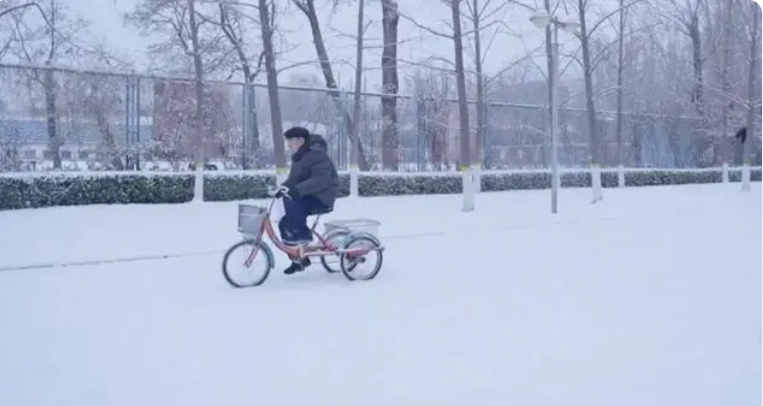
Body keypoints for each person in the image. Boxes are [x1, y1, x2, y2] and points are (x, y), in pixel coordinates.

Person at [274, 126, 339, 275]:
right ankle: (299, 259)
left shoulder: (316, 154)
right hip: (310, 195)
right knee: (285, 223)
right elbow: (293, 180)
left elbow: (321, 179)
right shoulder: (299, 157)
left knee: (294, 204)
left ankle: (304, 235)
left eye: (290, 141)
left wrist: (297, 191)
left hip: (322, 196)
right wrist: (282, 189)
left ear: (300, 140)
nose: (289, 145)